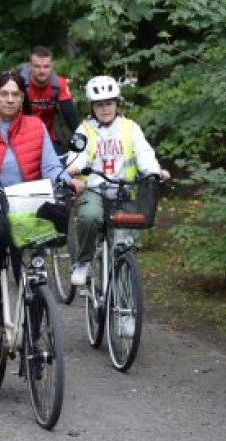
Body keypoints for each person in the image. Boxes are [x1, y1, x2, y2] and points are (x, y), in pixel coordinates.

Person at [0, 69, 82, 321]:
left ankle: (35, 319)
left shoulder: (35, 126)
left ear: (23, 99)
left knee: (40, 253)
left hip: (29, 203)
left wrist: (68, 181)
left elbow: (50, 166)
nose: (10, 99)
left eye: (16, 94)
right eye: (4, 94)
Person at [65, 75, 170, 288]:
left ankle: (124, 304)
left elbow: (144, 153)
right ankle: (84, 262)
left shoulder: (130, 128)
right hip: (94, 189)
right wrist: (74, 167)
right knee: (90, 217)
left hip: (124, 190)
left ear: (116, 103)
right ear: (92, 107)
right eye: (100, 104)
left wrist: (155, 171)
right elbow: (77, 154)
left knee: (123, 244)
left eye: (109, 103)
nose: (105, 108)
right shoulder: (84, 130)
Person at [20, 46, 79, 153]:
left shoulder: (59, 84)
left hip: (48, 138)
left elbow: (70, 116)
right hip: (21, 138)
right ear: (30, 66)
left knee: (59, 167)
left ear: (52, 66)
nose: (42, 71)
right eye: (37, 66)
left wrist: (80, 138)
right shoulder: (19, 84)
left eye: (46, 66)